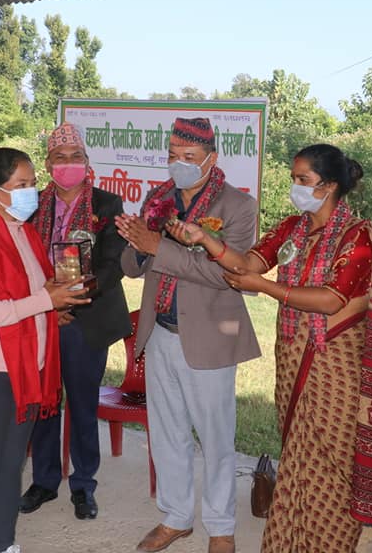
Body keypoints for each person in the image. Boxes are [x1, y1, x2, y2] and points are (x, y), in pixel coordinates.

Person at [174, 143, 372, 552]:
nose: (296, 187)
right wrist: (206, 240)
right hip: (293, 357)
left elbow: (332, 299)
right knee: (297, 454)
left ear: (329, 186)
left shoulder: (357, 235)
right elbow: (248, 264)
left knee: (331, 461)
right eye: (294, 178)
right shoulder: (293, 228)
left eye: (303, 180)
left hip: (335, 367)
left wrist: (265, 287)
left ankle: (328, 544)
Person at [116, 117, 259, 553]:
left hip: (211, 336)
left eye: (189, 157)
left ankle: (221, 528)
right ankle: (176, 517)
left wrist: (158, 248)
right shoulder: (158, 199)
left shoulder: (237, 206)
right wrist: (138, 245)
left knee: (215, 438)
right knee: (167, 433)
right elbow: (131, 266)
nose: (179, 164)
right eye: (173, 155)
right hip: (161, 330)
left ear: (211, 158)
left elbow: (225, 274)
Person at [0, 147, 89, 553]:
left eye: (33, 183)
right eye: (21, 185)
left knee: (10, 466)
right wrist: (44, 301)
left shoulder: (23, 232)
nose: (32, 192)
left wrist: (55, 305)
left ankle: (4, 545)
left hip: (25, 367)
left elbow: (30, 293)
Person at [19, 123, 131, 519]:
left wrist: (72, 299)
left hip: (86, 320)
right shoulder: (32, 205)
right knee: (44, 402)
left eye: (76, 157)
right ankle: (44, 480)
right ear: (48, 163)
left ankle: (84, 485)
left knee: (82, 405)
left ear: (86, 161)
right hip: (44, 317)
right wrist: (48, 305)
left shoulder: (107, 204)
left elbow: (114, 263)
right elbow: (22, 260)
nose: (68, 164)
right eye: (60, 158)